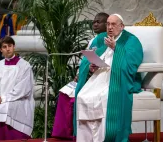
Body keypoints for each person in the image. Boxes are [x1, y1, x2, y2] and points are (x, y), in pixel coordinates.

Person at [75, 14, 143, 142]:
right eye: (108, 24)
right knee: (82, 96)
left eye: (113, 24)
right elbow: (88, 59)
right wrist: (91, 66)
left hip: (116, 79)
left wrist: (116, 48)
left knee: (103, 98)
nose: (110, 27)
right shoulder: (101, 38)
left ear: (121, 26)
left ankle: (104, 138)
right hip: (99, 76)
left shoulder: (131, 40)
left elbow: (132, 63)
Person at [51, 12, 109, 139]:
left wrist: (88, 70)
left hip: (99, 79)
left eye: (98, 22)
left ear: (107, 23)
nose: (95, 24)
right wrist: (79, 74)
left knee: (75, 96)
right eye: (93, 22)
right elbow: (85, 60)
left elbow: (107, 62)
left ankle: (79, 134)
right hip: (86, 76)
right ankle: (65, 133)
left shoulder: (109, 41)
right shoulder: (93, 40)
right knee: (63, 93)